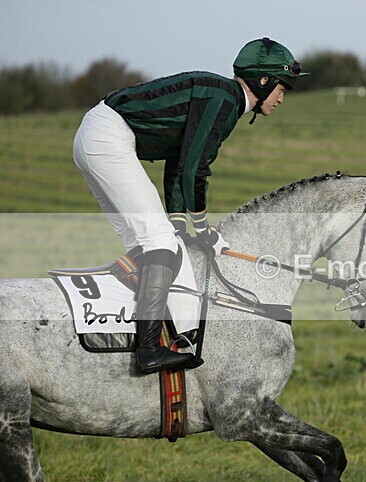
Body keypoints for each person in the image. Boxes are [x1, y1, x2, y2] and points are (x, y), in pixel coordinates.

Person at [72, 37, 308, 374]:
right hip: (107, 137)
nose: (283, 98)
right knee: (160, 241)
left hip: (95, 134)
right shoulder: (225, 100)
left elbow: (178, 162)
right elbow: (195, 167)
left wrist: (181, 222)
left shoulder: (222, 96)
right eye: (283, 88)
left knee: (153, 241)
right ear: (263, 81)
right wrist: (203, 229)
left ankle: (133, 327)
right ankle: (149, 349)